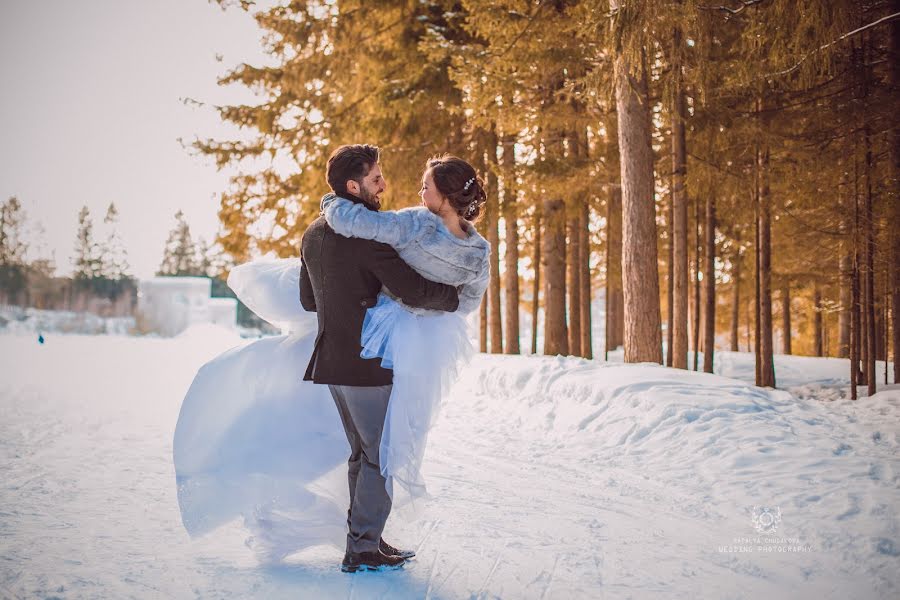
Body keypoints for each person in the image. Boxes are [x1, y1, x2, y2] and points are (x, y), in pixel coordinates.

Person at [299, 144, 462, 573]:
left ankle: (366, 539)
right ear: (353, 186)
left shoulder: (313, 232)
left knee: (363, 455)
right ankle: (361, 550)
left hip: (331, 363)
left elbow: (306, 299)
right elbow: (411, 288)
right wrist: (456, 297)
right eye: (375, 178)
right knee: (379, 456)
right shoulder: (364, 233)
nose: (383, 184)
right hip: (366, 364)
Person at [319, 154, 490, 510]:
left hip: (388, 329)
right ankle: (369, 524)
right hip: (431, 341)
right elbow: (469, 302)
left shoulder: (416, 223)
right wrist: (437, 301)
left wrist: (331, 201)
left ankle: (364, 527)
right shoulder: (479, 251)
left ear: (443, 196)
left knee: (373, 435)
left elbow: (359, 224)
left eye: (426, 186)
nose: (419, 190)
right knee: (404, 426)